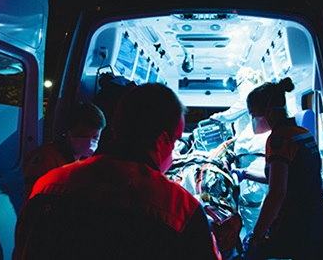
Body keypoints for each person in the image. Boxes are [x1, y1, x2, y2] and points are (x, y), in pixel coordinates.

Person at [13, 83, 222, 260]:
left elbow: (23, 251)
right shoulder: (182, 208)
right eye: (175, 141)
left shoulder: (49, 184)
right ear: (163, 141)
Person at [234, 77, 323, 260]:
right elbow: (289, 177)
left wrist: (256, 236)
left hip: (299, 226)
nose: (253, 120)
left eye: (253, 115)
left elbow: (277, 192)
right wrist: (246, 174)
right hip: (320, 221)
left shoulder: (278, 139)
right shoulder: (302, 133)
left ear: (269, 111)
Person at [209, 66, 269, 234]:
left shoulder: (250, 95)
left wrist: (215, 117)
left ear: (242, 81)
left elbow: (230, 114)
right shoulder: (258, 95)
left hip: (254, 159)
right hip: (254, 157)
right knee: (255, 206)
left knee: (251, 207)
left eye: (237, 83)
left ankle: (255, 243)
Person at [22, 101, 106, 200]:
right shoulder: (45, 157)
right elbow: (34, 199)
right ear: (68, 131)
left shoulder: (83, 160)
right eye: (83, 136)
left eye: (95, 137)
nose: (89, 143)